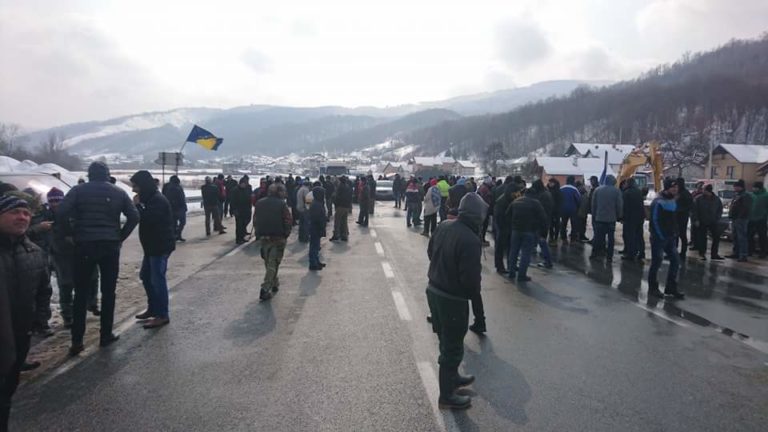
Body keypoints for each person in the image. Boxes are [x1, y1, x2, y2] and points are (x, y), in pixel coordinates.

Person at [56, 161, 139, 355]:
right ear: (107, 174)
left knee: (81, 293)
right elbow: (134, 216)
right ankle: (105, 335)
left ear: (90, 174)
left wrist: (69, 234)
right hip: (110, 245)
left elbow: (61, 212)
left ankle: (77, 341)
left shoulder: (78, 191)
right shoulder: (118, 192)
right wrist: (120, 236)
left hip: (84, 245)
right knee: (109, 291)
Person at [426, 192, 486, 410]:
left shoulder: (444, 225)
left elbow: (430, 251)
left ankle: (453, 378)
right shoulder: (470, 239)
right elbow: (471, 280)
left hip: (434, 290)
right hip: (452, 299)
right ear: (478, 215)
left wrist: (442, 271)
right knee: (451, 347)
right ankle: (446, 395)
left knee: (446, 339)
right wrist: (470, 294)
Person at [0, 195, 52, 430]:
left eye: (26, 213)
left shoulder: (34, 252)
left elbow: (44, 290)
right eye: (14, 212)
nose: (22, 217)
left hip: (19, 336)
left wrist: (39, 320)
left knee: (7, 393)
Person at [130, 171, 175, 329]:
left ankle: (162, 315)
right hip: (151, 247)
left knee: (157, 279)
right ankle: (153, 308)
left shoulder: (157, 200)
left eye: (135, 186)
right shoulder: (150, 199)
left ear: (143, 185)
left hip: (159, 246)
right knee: (146, 277)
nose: (134, 190)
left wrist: (137, 206)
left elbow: (149, 220)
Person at [253, 183, 293, 300]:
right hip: (278, 237)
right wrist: (286, 233)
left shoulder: (259, 203)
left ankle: (274, 282)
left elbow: (255, 220)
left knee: (269, 262)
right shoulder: (282, 204)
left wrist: (258, 233)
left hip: (264, 237)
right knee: (273, 263)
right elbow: (288, 221)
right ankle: (265, 288)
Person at [648, 178, 684, 299]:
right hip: (659, 238)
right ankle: (653, 288)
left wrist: (675, 232)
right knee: (656, 262)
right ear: (667, 188)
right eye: (673, 187)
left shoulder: (673, 201)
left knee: (675, 261)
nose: (675, 189)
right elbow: (654, 220)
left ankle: (671, 287)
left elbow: (673, 220)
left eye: (676, 187)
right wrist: (660, 235)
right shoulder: (658, 202)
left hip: (670, 237)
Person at [507, 188, 547, 282]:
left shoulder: (516, 201)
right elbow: (543, 218)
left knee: (513, 252)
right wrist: (543, 233)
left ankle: (511, 272)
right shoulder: (536, 203)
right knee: (525, 254)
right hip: (529, 231)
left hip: (516, 230)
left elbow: (507, 214)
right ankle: (521, 275)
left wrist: (512, 226)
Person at [590, 175, 623, 262]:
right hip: (611, 219)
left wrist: (594, 215)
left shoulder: (598, 190)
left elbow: (594, 204)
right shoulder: (616, 191)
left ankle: (594, 253)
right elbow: (619, 205)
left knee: (598, 237)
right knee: (611, 238)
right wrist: (619, 215)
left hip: (599, 218)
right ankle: (609, 256)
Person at [691, 184, 724, 260]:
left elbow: (720, 209)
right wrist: (696, 220)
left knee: (716, 237)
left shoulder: (716, 199)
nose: (702, 191)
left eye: (704, 189)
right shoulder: (698, 199)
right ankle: (702, 253)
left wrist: (717, 218)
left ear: (708, 190)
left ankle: (714, 254)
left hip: (713, 221)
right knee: (702, 238)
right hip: (702, 221)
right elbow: (694, 210)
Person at [726, 179, 752, 262]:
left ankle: (743, 255)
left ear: (739, 187)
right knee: (735, 236)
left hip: (741, 219)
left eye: (735, 187)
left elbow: (745, 208)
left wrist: (740, 216)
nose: (734, 188)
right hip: (735, 218)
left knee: (742, 237)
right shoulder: (737, 195)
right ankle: (736, 252)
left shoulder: (745, 196)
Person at [530, 180, 554, 269]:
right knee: (539, 240)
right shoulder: (546, 194)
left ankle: (548, 261)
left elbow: (541, 211)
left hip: (541, 222)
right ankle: (547, 261)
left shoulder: (543, 196)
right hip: (544, 221)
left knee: (542, 241)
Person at [621, 178, 645, 262]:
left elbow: (625, 207)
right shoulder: (639, 192)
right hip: (640, 217)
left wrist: (623, 217)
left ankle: (631, 254)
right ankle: (641, 253)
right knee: (639, 236)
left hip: (630, 218)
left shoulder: (626, 193)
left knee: (630, 236)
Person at [163, 175, 188, 242]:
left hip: (173, 208)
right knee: (182, 222)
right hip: (178, 208)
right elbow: (181, 198)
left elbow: (164, 197)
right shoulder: (174, 187)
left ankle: (176, 235)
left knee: (174, 223)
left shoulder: (168, 186)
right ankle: (177, 235)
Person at [308, 183, 327, 271]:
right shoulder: (316, 204)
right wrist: (321, 226)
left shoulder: (318, 203)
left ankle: (316, 261)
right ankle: (313, 263)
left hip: (317, 227)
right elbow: (317, 218)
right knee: (314, 246)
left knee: (316, 246)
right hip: (315, 228)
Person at [747, 182, 768, 258]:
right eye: (753, 187)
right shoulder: (752, 195)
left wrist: (764, 215)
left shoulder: (766, 195)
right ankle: (750, 251)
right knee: (749, 236)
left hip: (761, 219)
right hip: (751, 218)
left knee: (762, 236)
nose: (753, 189)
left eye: (755, 187)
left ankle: (763, 252)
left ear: (759, 188)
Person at [230, 177, 253, 244]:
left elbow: (249, 199)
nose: (244, 185)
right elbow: (233, 201)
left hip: (246, 210)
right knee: (239, 226)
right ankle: (238, 239)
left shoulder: (246, 189)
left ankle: (242, 237)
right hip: (238, 210)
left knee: (244, 224)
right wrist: (234, 210)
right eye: (243, 184)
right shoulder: (235, 190)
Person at [674, 178, 693, 258]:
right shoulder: (680, 193)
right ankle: (675, 252)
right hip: (677, 216)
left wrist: (680, 210)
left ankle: (682, 252)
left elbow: (689, 205)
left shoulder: (684, 194)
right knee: (676, 235)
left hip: (682, 216)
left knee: (681, 235)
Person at [559, 176, 581, 242]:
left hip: (563, 209)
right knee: (574, 224)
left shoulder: (561, 188)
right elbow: (578, 200)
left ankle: (564, 238)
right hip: (573, 209)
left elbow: (558, 198)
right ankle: (573, 239)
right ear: (573, 181)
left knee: (563, 224)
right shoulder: (575, 189)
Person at [330, 176, 352, 242]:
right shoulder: (348, 187)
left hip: (340, 206)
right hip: (346, 206)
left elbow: (337, 196)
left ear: (340, 181)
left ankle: (336, 235)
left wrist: (335, 202)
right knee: (344, 221)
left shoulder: (340, 187)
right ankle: (344, 235)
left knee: (337, 221)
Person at [477, 177, 494, 245]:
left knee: (482, 225)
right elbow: (488, 198)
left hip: (481, 208)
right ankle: (482, 240)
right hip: (484, 208)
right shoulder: (485, 189)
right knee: (484, 225)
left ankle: (481, 238)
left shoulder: (481, 187)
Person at [547, 178, 562, 243]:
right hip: (549, 211)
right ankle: (551, 237)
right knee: (550, 225)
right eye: (549, 182)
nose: (550, 184)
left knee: (556, 225)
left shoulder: (558, 191)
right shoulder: (548, 190)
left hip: (556, 211)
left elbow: (559, 202)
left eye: (551, 182)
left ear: (554, 183)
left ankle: (555, 237)